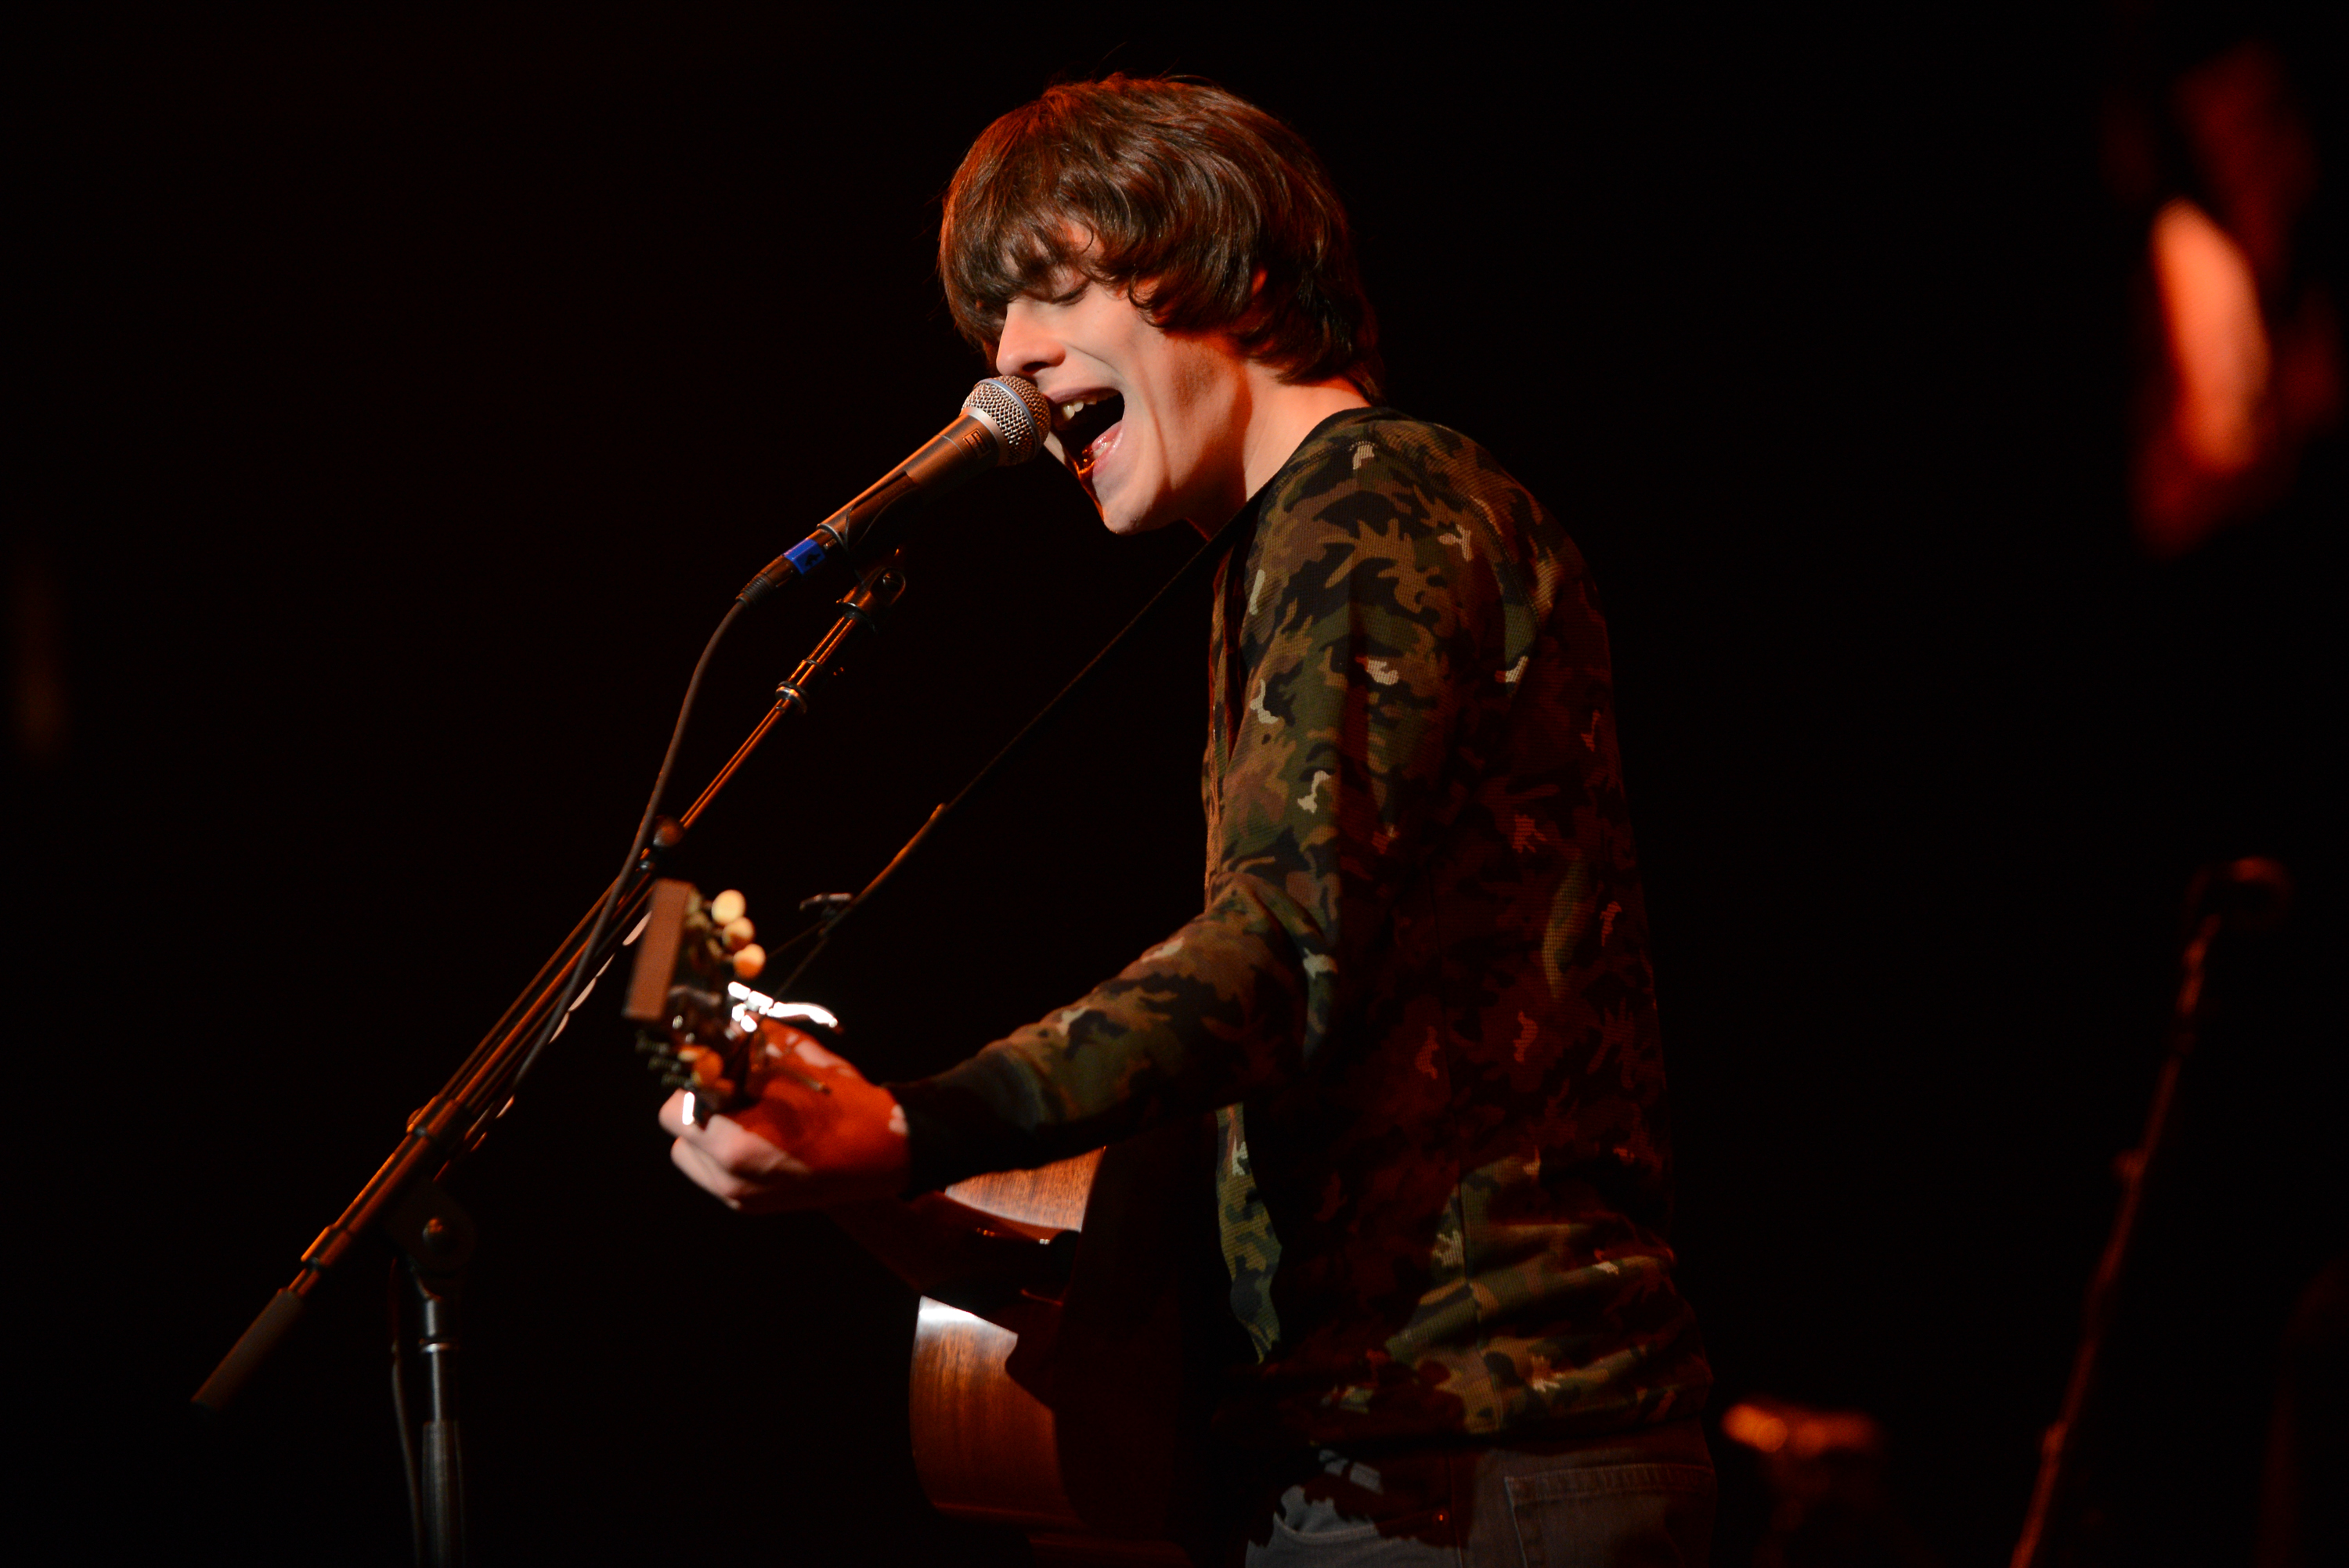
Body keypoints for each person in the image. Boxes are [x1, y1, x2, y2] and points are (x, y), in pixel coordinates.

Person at [660, 75, 1714, 1564]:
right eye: (993, 322)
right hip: (1410, 1463)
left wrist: (911, 1125)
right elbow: (1344, 1025)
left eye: (1054, 291)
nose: (1009, 357)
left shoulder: (1378, 498)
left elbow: (1279, 957)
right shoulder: (1284, 550)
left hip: (1477, 1462)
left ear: (1234, 272)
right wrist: (897, 1193)